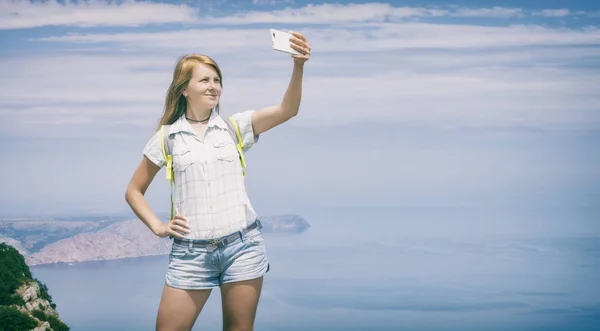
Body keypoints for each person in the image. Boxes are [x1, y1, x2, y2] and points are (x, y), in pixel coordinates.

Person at [124, 31, 311, 331]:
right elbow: (134, 191)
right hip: (190, 255)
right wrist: (158, 226)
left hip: (243, 247)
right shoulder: (166, 137)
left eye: (217, 80)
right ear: (184, 89)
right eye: (205, 80)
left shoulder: (234, 127)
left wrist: (298, 65)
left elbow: (288, 110)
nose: (214, 86)